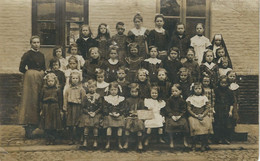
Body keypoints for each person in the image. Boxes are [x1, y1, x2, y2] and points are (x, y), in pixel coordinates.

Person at [19, 35, 46, 139]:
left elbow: (44, 67)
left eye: (38, 42)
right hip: (30, 80)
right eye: (34, 42)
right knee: (30, 101)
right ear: (31, 43)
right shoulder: (27, 55)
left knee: (39, 100)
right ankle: (28, 127)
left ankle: (38, 126)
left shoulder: (42, 55)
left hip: (40, 78)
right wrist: (30, 74)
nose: (36, 44)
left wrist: (41, 73)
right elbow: (21, 68)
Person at [186, 82, 213, 152]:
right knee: (193, 126)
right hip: (194, 115)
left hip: (202, 115)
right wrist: (195, 115)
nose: (198, 90)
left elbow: (207, 108)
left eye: (199, 88)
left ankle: (203, 144)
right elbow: (189, 109)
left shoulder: (204, 97)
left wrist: (203, 115)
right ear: (193, 89)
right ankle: (193, 145)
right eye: (196, 89)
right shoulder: (190, 98)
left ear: (202, 89)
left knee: (207, 124)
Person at [77, 79, 102, 148]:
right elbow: (83, 107)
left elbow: (100, 107)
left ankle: (95, 141)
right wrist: (88, 112)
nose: (91, 89)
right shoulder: (86, 96)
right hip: (87, 114)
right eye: (90, 87)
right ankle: (85, 140)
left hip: (96, 114)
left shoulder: (98, 96)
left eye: (93, 87)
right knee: (86, 125)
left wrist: (95, 112)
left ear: (96, 87)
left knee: (95, 125)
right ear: (88, 88)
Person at [39, 73, 62, 145]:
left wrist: (60, 109)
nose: (50, 82)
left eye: (52, 81)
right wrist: (41, 109)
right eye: (49, 81)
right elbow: (40, 100)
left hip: (54, 107)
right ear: (46, 81)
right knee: (47, 124)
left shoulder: (57, 89)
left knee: (54, 124)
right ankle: (48, 139)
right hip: (46, 107)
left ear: (55, 81)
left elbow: (60, 100)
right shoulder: (44, 89)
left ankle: (53, 139)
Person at [165, 84, 189, 151]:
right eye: (172, 91)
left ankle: (185, 141)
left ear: (180, 91)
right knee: (170, 123)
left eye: (176, 91)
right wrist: (171, 115)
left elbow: (184, 109)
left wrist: (180, 115)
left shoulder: (182, 100)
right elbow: (168, 109)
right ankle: (171, 141)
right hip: (171, 115)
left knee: (184, 123)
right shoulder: (169, 100)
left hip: (180, 116)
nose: (174, 93)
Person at [103, 82, 126, 150]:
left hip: (118, 115)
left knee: (120, 126)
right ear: (109, 90)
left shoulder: (121, 99)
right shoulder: (106, 98)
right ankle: (108, 143)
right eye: (112, 90)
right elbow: (104, 108)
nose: (113, 91)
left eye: (115, 90)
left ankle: (119, 143)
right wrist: (109, 113)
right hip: (109, 115)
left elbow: (123, 108)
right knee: (109, 126)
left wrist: (119, 113)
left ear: (118, 90)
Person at [63, 72, 85, 145]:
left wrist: (83, 109)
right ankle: (71, 138)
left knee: (78, 124)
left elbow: (83, 100)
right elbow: (65, 99)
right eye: (73, 78)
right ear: (70, 79)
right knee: (70, 124)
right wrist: (65, 108)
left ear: (79, 79)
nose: (75, 80)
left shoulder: (81, 89)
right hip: (70, 107)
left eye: (76, 78)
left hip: (78, 108)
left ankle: (78, 138)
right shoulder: (68, 89)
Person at [124, 83, 146, 151]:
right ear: (130, 92)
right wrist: (129, 112)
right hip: (130, 117)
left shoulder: (141, 100)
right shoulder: (127, 100)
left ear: (138, 92)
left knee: (139, 125)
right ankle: (126, 142)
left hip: (138, 117)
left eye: (135, 92)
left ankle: (139, 143)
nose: (134, 93)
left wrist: (137, 113)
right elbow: (125, 110)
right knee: (127, 125)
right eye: (132, 92)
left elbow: (142, 110)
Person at [214, 75, 235, 144]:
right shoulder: (216, 90)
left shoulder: (230, 91)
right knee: (218, 124)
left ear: (227, 83)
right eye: (222, 83)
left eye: (225, 83)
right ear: (219, 83)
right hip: (218, 109)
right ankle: (219, 138)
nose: (223, 84)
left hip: (227, 109)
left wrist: (230, 111)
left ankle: (226, 138)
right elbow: (214, 100)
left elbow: (232, 102)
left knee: (227, 125)